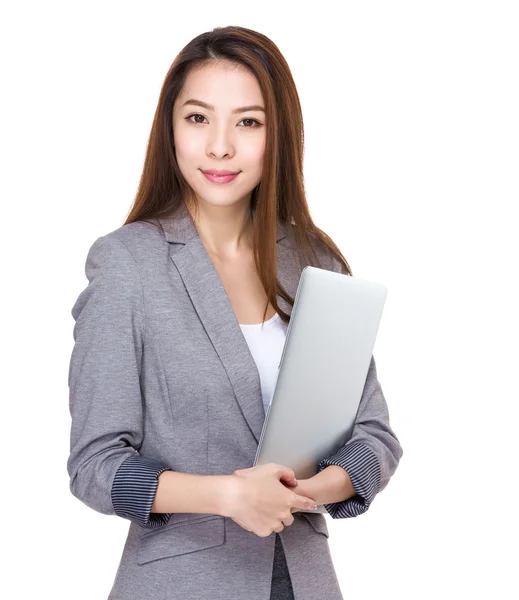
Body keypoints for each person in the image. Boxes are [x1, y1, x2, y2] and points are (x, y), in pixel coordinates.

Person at [67, 25, 403, 600]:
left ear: (279, 135)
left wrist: (310, 490)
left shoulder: (312, 260)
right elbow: (95, 466)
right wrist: (229, 495)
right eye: (198, 118)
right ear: (170, 127)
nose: (220, 146)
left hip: (305, 582)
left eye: (248, 122)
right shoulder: (128, 265)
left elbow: (374, 437)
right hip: (180, 583)